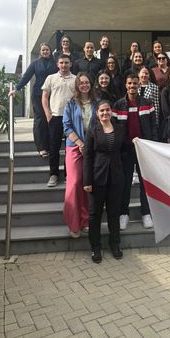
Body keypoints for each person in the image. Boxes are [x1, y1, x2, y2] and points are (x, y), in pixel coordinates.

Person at [112, 74, 158, 230]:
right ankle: (123, 214)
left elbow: (153, 126)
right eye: (130, 83)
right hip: (125, 150)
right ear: (126, 85)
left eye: (135, 83)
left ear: (139, 85)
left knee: (145, 182)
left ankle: (146, 213)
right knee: (124, 183)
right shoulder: (118, 105)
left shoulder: (147, 103)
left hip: (143, 149)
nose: (132, 86)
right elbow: (114, 129)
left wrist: (152, 145)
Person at [83, 100, 125, 262]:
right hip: (97, 177)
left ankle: (115, 244)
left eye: (107, 110)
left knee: (114, 213)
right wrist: (87, 181)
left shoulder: (120, 129)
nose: (105, 113)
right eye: (102, 111)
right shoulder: (92, 131)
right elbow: (87, 157)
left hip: (116, 177)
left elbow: (125, 151)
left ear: (111, 112)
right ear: (97, 113)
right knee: (95, 214)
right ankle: (95, 247)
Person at [8, 42, 57, 158]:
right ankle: (41, 147)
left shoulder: (55, 64)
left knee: (51, 119)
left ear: (50, 51)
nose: (45, 51)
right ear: (40, 52)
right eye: (43, 50)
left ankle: (50, 146)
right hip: (38, 95)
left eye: (47, 50)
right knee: (40, 120)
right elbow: (26, 77)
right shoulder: (35, 64)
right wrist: (16, 89)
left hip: (52, 95)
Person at [62, 73, 95, 238]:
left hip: (93, 148)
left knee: (87, 184)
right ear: (77, 85)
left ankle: (85, 220)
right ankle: (73, 223)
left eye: (87, 82)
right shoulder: (70, 103)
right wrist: (80, 144)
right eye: (81, 83)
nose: (84, 85)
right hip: (75, 147)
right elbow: (66, 126)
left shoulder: (97, 102)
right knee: (74, 183)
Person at [42, 55, 76, 187]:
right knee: (54, 147)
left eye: (66, 62)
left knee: (70, 148)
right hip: (55, 117)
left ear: (70, 64)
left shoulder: (76, 79)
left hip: (71, 118)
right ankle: (54, 174)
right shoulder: (51, 78)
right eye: (61, 62)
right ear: (57, 64)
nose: (64, 65)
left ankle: (68, 174)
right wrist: (47, 113)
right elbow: (45, 97)